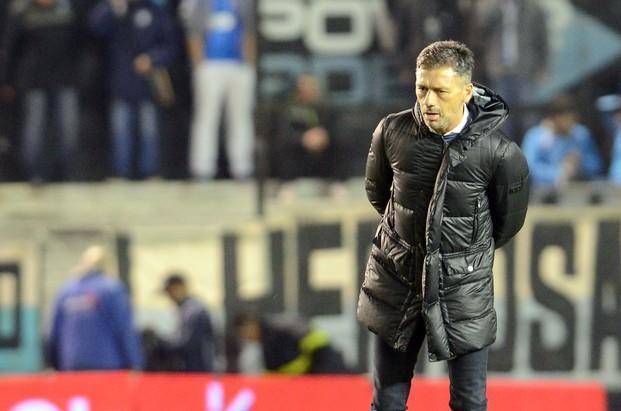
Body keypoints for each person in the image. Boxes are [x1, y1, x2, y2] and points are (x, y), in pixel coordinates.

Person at [356, 41, 530, 411]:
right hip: (396, 281)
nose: (428, 101)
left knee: (469, 402)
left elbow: (507, 223)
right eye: (422, 89)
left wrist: (460, 256)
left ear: (466, 92)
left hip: (464, 290)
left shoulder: (500, 153)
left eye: (440, 91)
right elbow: (379, 195)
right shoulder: (391, 132)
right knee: (386, 402)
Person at [89, 0, 177, 179]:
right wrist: (113, 8)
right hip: (121, 82)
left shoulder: (154, 11)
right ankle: (121, 172)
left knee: (149, 131)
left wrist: (152, 58)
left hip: (148, 84)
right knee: (120, 131)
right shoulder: (116, 11)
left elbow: (170, 45)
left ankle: (150, 172)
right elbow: (96, 28)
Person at [0, 0, 82, 182]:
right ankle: (33, 174)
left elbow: (80, 42)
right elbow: (11, 48)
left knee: (68, 130)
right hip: (34, 81)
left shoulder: (68, 10)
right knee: (33, 131)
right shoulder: (23, 12)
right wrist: (6, 80)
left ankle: (66, 174)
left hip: (65, 79)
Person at [181, 0, 256, 180]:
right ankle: (203, 168)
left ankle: (242, 167)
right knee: (206, 117)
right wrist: (199, 66)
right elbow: (193, 34)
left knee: (241, 117)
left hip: (238, 65)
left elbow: (250, 31)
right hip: (210, 65)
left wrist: (249, 63)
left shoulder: (244, 3)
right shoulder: (201, 3)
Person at [46, 245, 143, 371]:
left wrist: (52, 363)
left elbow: (54, 332)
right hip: (107, 366)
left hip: (71, 365)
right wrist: (134, 362)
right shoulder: (113, 289)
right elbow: (124, 328)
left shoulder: (65, 291)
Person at [521, 95, 603, 188]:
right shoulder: (535, 136)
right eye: (566, 118)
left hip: (578, 188)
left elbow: (596, 165)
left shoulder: (581, 134)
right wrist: (558, 172)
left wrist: (579, 163)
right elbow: (527, 168)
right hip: (544, 191)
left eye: (572, 118)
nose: (570, 123)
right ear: (554, 118)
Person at [231, 311, 350, 375]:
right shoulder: (268, 336)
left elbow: (296, 364)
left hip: (325, 366)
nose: (246, 338)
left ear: (251, 325)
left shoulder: (275, 334)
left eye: (244, 333)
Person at [275, 74, 337, 182]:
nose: (311, 91)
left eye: (313, 87)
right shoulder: (289, 109)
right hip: (297, 155)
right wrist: (303, 138)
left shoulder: (325, 109)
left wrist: (323, 136)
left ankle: (334, 181)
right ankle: (288, 183)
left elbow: (335, 130)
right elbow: (284, 134)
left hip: (321, 154)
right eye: (306, 87)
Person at [160, 273, 215, 372]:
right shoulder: (187, 307)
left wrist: (164, 344)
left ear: (182, 287)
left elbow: (188, 342)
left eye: (172, 290)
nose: (170, 296)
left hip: (199, 365)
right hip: (195, 364)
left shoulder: (193, 308)